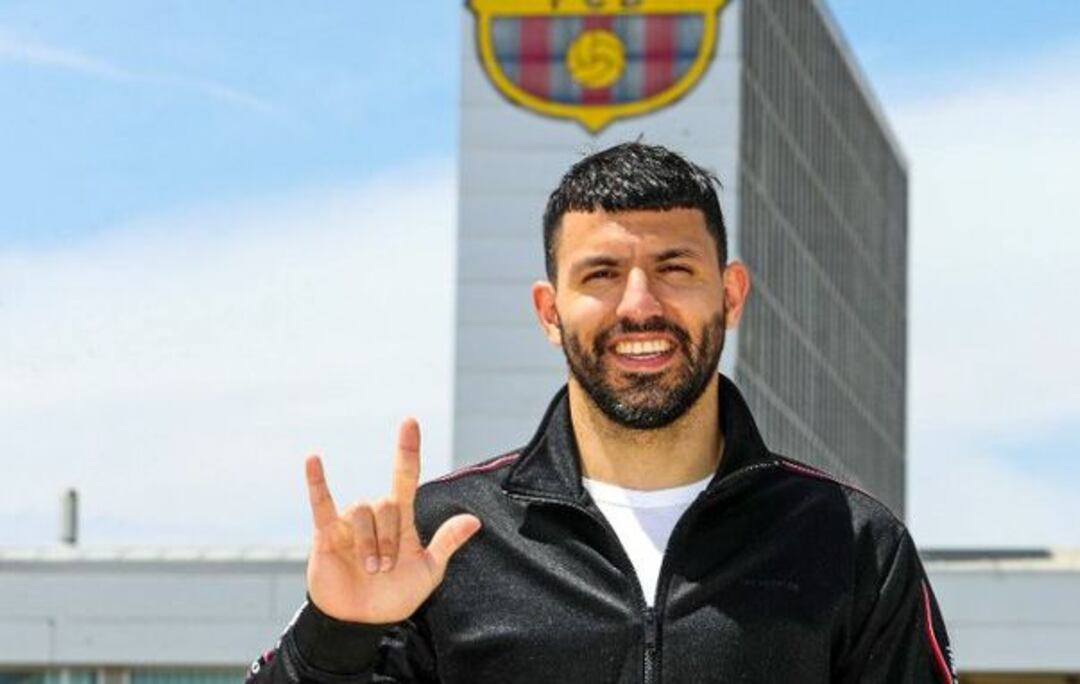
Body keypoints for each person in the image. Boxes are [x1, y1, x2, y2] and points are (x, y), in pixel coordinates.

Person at [246, 143, 956, 683]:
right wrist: (334, 637)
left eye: (675, 269)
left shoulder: (851, 542)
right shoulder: (443, 541)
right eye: (601, 275)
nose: (640, 305)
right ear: (549, 312)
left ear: (731, 296)